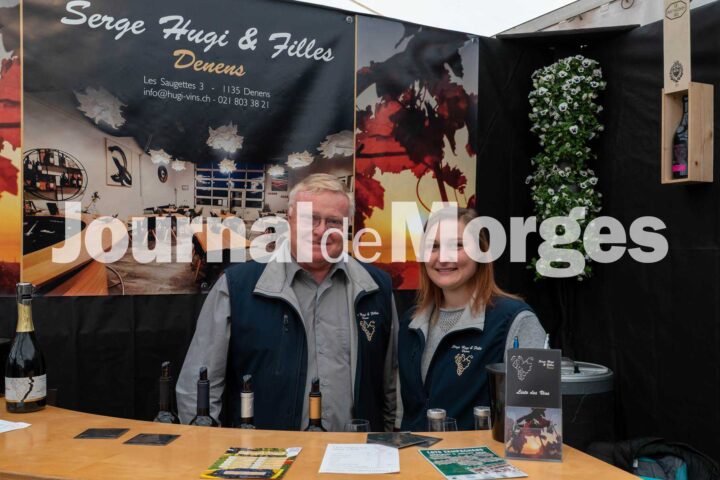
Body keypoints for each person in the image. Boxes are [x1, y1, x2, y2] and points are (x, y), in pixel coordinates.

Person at [177, 174, 398, 432]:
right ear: (289, 220)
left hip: (356, 452)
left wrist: (393, 442)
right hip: (265, 453)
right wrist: (202, 445)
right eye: (310, 219)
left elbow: (392, 386)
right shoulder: (237, 288)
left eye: (333, 221)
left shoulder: (376, 288)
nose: (321, 231)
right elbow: (199, 386)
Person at [397, 207, 546, 431]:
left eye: (457, 245)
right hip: (416, 453)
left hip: (481, 454)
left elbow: (538, 419)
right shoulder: (411, 322)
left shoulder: (516, 321)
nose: (443, 257)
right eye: (433, 247)